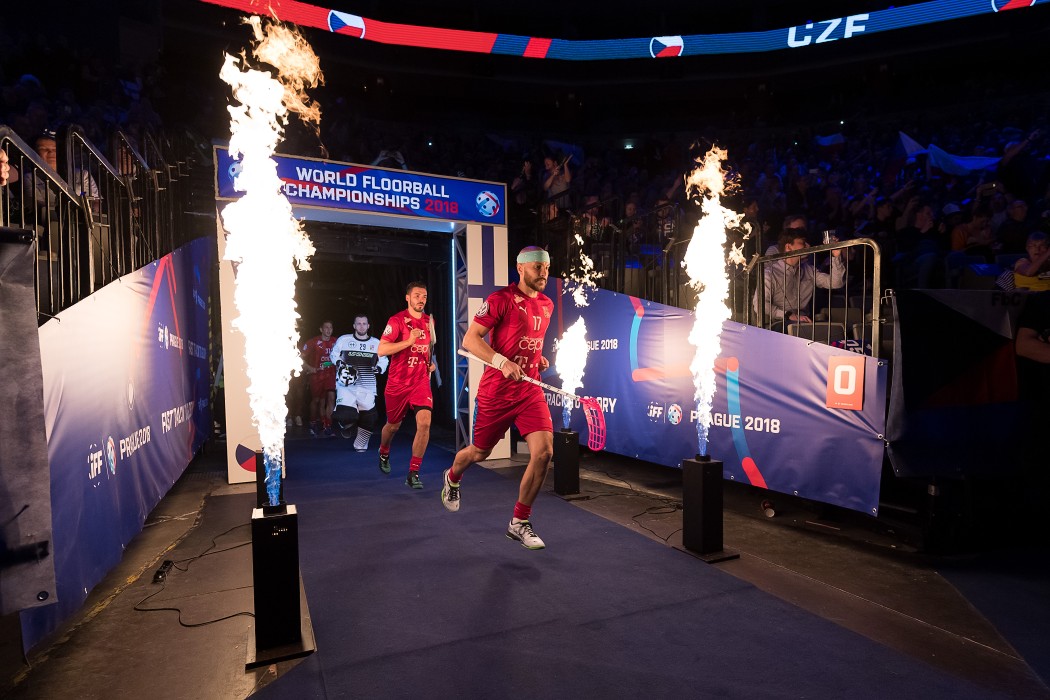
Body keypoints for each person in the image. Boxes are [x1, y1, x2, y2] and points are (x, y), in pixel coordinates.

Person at [440, 246, 555, 550]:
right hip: (497, 392)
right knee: (479, 453)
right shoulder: (500, 299)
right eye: (537, 267)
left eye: (546, 267)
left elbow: (527, 341)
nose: (543, 273)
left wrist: (537, 358)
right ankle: (452, 476)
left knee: (544, 453)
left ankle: (519, 522)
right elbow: (470, 339)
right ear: (520, 268)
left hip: (529, 390)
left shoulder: (547, 304)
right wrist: (502, 361)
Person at [377, 281, 434, 488]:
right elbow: (382, 350)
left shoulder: (429, 321)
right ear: (408, 298)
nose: (421, 299)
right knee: (393, 426)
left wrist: (430, 363)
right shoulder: (397, 320)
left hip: (420, 381)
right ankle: (384, 451)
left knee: (425, 422)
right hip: (398, 383)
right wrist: (408, 342)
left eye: (424, 296)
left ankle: (413, 473)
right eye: (417, 295)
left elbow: (428, 348)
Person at [755, 229, 844, 329]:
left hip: (805, 322)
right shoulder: (770, 273)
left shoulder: (809, 270)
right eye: (803, 242)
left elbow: (836, 283)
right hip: (780, 323)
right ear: (788, 247)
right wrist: (788, 315)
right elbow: (759, 305)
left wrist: (836, 256)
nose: (808, 246)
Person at [330, 315, 388, 452]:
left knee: (370, 417)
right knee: (345, 415)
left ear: (368, 326)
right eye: (358, 324)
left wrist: (379, 368)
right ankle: (348, 425)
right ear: (354, 326)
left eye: (364, 324)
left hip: (367, 385)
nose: (361, 326)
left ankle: (360, 443)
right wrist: (339, 363)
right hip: (346, 386)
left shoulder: (376, 343)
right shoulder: (344, 340)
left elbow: (384, 360)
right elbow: (334, 354)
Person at [301, 320, 337, 437]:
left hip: (331, 374)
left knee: (331, 398)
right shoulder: (313, 342)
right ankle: (313, 423)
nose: (328, 330)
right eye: (326, 327)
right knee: (317, 400)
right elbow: (300, 357)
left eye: (331, 328)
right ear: (321, 329)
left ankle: (328, 425)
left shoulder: (336, 341)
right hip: (316, 375)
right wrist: (310, 368)